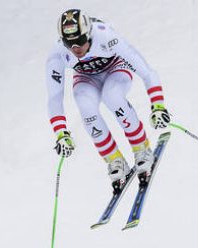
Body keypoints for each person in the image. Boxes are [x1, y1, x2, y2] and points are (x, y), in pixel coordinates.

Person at [46, 9, 171, 187]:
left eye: (80, 41)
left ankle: (141, 149)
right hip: (86, 77)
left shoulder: (106, 36)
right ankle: (114, 160)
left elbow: (147, 72)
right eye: (69, 43)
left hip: (115, 69)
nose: (76, 48)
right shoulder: (57, 53)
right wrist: (61, 133)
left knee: (112, 96)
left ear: (88, 33)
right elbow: (54, 97)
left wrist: (157, 105)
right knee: (85, 104)